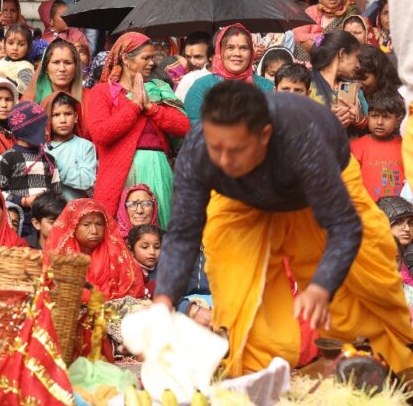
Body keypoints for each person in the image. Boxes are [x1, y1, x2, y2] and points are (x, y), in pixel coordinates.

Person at [155, 81, 413, 376]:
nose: (223, 162)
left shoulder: (303, 139)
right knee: (238, 290)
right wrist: (164, 299)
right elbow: (183, 233)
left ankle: (394, 368)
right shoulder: (200, 150)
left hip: (322, 189)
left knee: (368, 278)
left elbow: (344, 226)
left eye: (236, 150)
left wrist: (320, 287)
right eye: (217, 148)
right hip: (240, 203)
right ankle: (255, 377)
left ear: (264, 135)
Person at [85, 32, 189, 223]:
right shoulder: (103, 92)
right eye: (146, 58)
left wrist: (151, 108)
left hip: (157, 170)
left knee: (156, 238)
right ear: (126, 58)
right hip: (119, 175)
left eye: (152, 57)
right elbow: (101, 134)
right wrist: (134, 107)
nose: (152, 62)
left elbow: (184, 126)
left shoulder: (158, 88)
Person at [46, 197, 146, 301]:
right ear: (73, 226)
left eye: (99, 224)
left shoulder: (118, 256)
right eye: (86, 224)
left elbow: (133, 290)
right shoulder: (60, 257)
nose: (94, 231)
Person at [184, 25, 275, 124]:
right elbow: (195, 128)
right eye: (230, 48)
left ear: (251, 53)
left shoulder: (267, 87)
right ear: (219, 52)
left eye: (243, 48)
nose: (237, 53)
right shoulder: (201, 87)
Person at [0, 99, 61, 210]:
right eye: (42, 128)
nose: (47, 133)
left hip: (45, 222)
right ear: (27, 130)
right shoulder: (7, 159)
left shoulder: (49, 159)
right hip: (18, 220)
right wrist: (22, 201)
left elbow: (57, 193)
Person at [308, 29, 367, 133]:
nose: (358, 65)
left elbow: (371, 128)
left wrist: (360, 120)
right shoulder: (306, 85)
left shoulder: (352, 87)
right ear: (342, 54)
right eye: (356, 57)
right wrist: (329, 124)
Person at [350, 91, 404, 201]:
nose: (379, 122)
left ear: (397, 121)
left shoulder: (404, 147)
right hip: (368, 209)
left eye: (386, 117)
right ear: (368, 117)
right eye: (374, 116)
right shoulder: (356, 146)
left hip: (401, 212)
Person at [44, 91, 96, 200]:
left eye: (68, 114)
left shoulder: (85, 146)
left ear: (76, 117)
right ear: (48, 119)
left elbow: (88, 181)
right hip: (47, 212)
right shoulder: (41, 148)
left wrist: (56, 166)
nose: (63, 120)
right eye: (56, 115)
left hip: (75, 210)